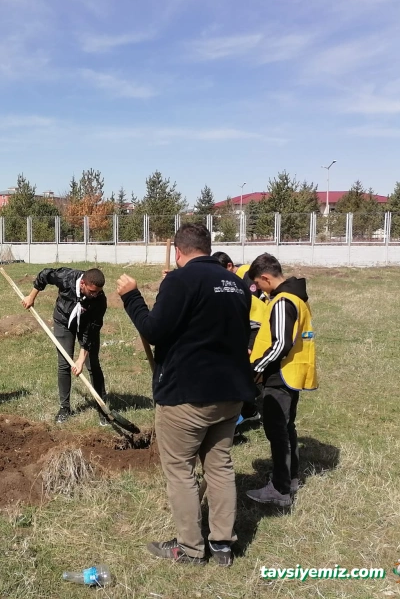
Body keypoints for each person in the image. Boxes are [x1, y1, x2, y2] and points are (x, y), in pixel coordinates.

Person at [117, 223, 256, 567]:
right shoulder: (236, 284)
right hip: (230, 394)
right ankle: (222, 544)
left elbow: (153, 330)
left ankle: (191, 549)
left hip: (187, 396)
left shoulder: (181, 280)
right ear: (207, 247)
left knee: (180, 471)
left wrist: (131, 297)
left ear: (178, 251)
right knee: (220, 467)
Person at [246, 253, 317, 507]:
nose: (258, 289)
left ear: (265, 278)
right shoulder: (296, 297)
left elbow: (280, 345)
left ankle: (280, 490)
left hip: (280, 375)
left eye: (258, 283)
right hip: (292, 373)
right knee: (287, 429)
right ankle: (290, 478)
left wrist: (256, 368)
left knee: (277, 432)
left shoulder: (283, 301)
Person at [21, 267, 107, 425]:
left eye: (98, 292)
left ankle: (102, 408)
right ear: (82, 283)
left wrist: (81, 359)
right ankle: (64, 408)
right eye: (92, 291)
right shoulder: (66, 277)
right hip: (63, 321)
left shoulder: (99, 300)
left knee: (93, 365)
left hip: (86, 326)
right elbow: (44, 275)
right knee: (64, 364)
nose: (95, 295)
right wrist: (31, 297)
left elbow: (91, 332)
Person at [212, 251, 266, 425]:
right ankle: (248, 408)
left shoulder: (241, 285)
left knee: (244, 372)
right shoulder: (224, 287)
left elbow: (256, 324)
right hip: (248, 328)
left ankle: (248, 410)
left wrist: (249, 345)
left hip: (259, 329)